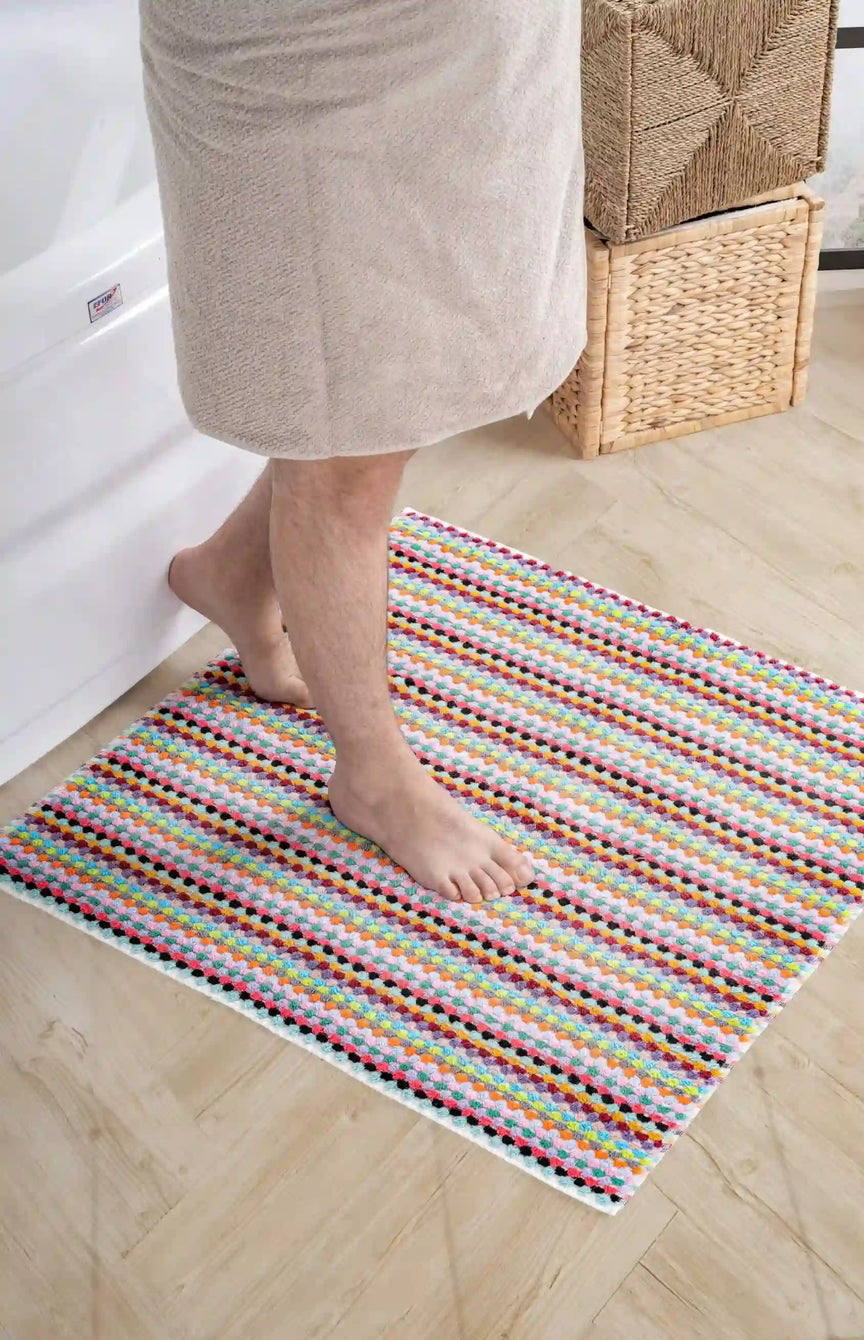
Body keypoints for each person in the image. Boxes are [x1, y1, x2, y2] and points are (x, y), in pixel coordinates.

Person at [140, 0, 587, 904]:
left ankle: (233, 571)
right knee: (342, 418)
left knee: (408, 370)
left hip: (474, 58)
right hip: (315, 54)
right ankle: (372, 779)